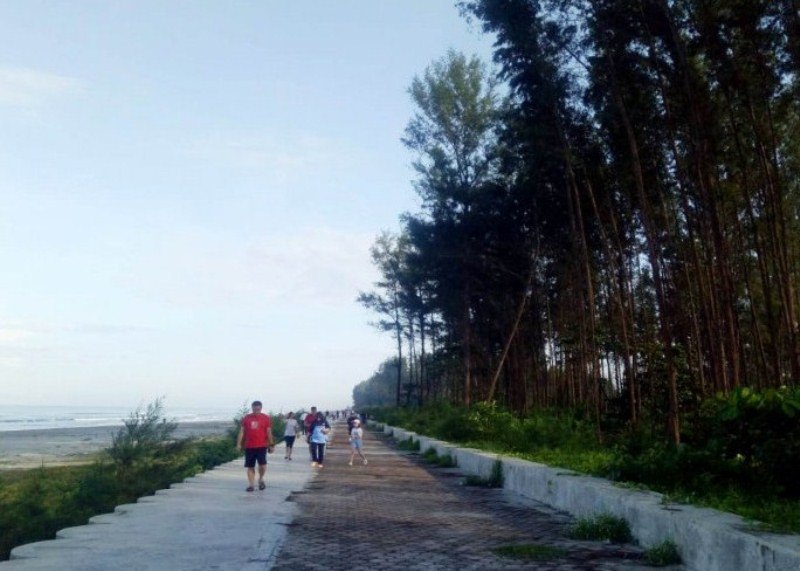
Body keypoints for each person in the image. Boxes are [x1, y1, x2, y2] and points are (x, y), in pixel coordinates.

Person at [236, 400, 274, 492]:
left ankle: (261, 479)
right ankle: (251, 485)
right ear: (252, 408)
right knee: (250, 466)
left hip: (262, 445)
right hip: (249, 446)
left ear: (261, 408)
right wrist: (238, 444)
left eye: (258, 409)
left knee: (262, 465)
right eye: (255, 409)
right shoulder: (246, 418)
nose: (256, 410)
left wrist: (271, 444)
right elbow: (242, 431)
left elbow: (268, 432)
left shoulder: (266, 418)